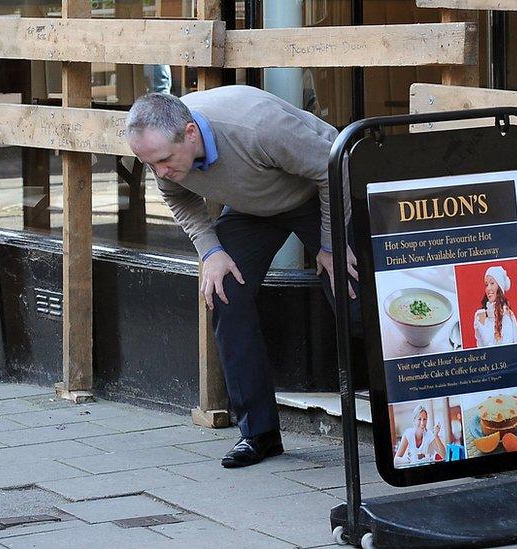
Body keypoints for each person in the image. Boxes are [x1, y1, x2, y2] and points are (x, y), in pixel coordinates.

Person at [124, 86, 359, 468]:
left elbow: (333, 168)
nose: (160, 173)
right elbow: (177, 197)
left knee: (351, 290)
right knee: (225, 291)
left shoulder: (257, 127)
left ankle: (395, 417)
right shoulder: (163, 155)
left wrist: (331, 245)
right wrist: (211, 251)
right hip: (254, 206)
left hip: (320, 190)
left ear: (190, 133)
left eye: (164, 161)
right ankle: (259, 434)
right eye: (150, 165)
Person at [473, 265, 517, 347]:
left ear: (500, 287)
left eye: (492, 283)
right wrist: (480, 325)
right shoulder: (480, 316)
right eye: (486, 284)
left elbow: (505, 348)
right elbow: (480, 348)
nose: (488, 288)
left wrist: (483, 330)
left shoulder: (506, 315)